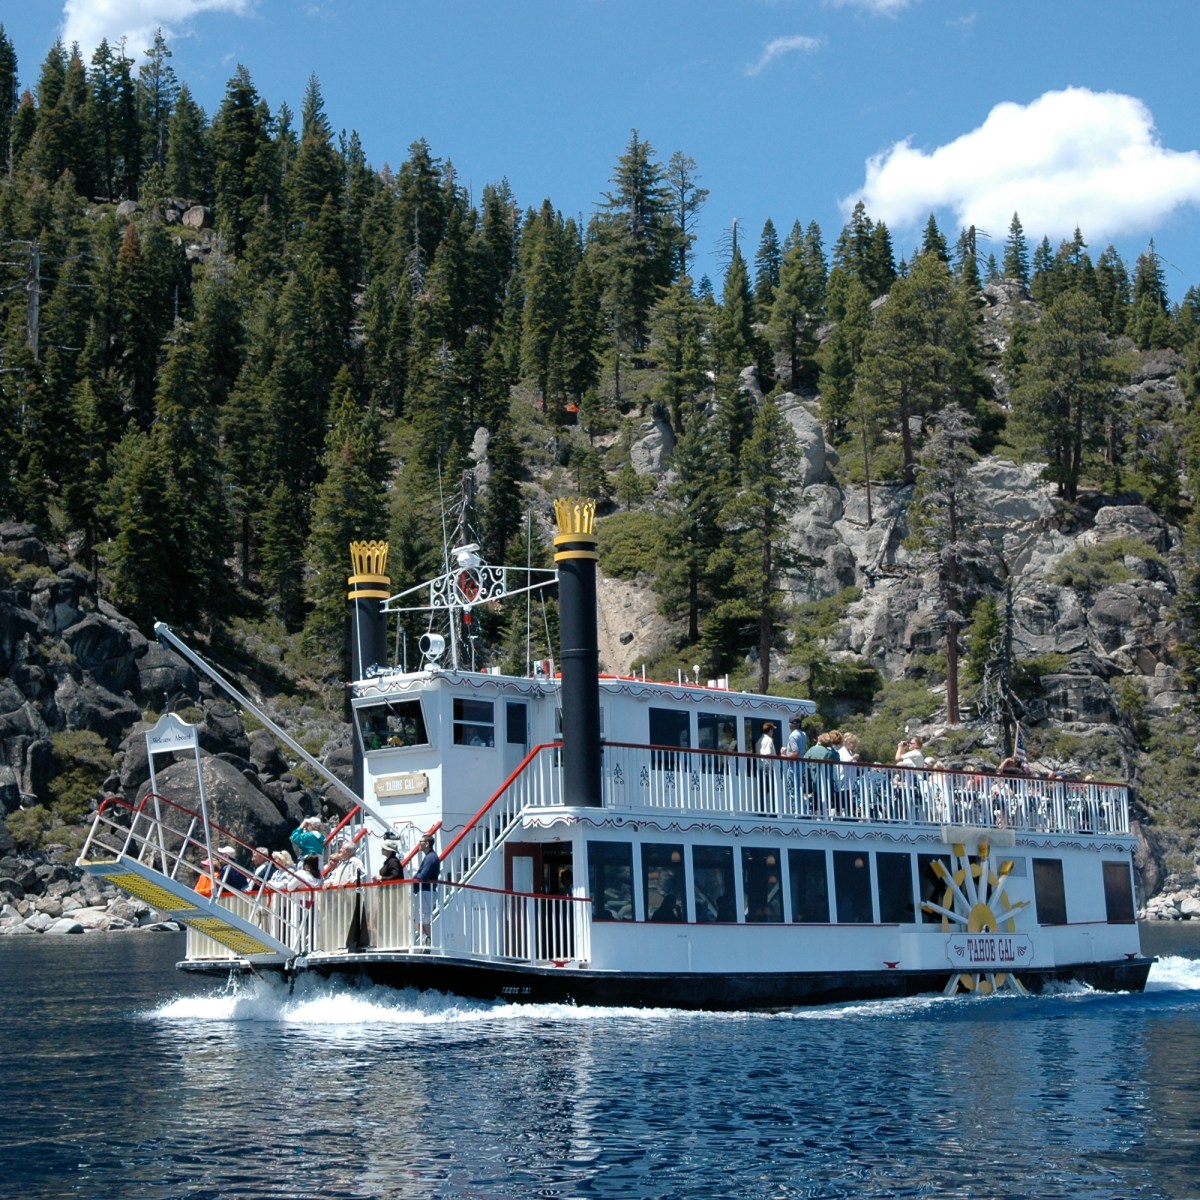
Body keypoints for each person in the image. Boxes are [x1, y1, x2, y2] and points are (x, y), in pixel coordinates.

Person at [413, 834, 440, 947]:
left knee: (423, 921)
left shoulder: (431, 858)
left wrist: (414, 878)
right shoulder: (430, 857)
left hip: (426, 892)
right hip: (425, 892)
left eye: (421, 842)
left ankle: (427, 942)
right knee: (420, 920)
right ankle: (426, 940)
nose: (419, 844)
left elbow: (423, 876)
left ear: (427, 844)